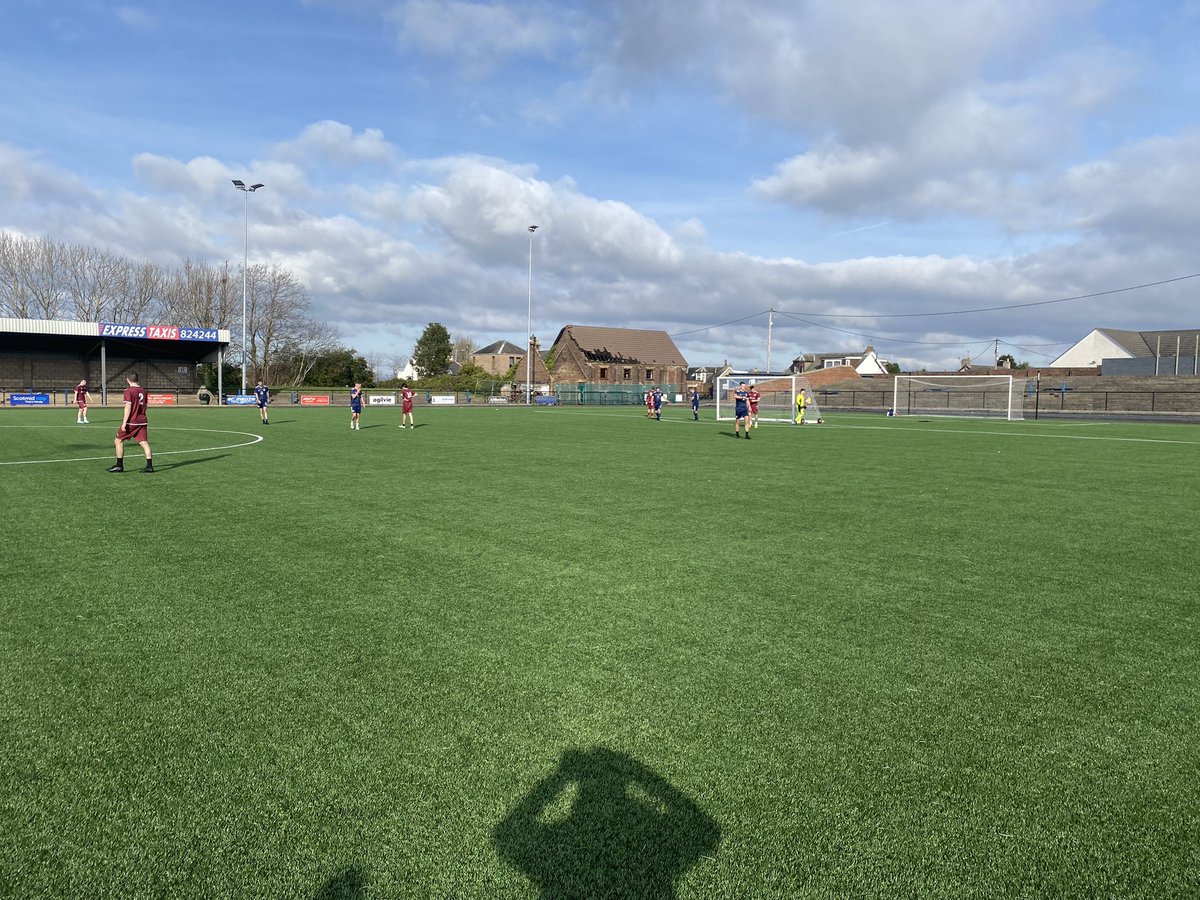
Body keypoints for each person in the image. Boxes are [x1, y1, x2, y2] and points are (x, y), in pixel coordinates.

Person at [107, 372, 153, 473]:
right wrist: (141, 414)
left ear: (128, 380)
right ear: (138, 379)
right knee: (144, 442)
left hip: (131, 422)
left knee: (118, 440)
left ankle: (119, 465)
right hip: (142, 420)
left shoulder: (128, 391)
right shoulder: (143, 391)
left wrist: (124, 422)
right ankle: (149, 466)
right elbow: (145, 406)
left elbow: (128, 406)